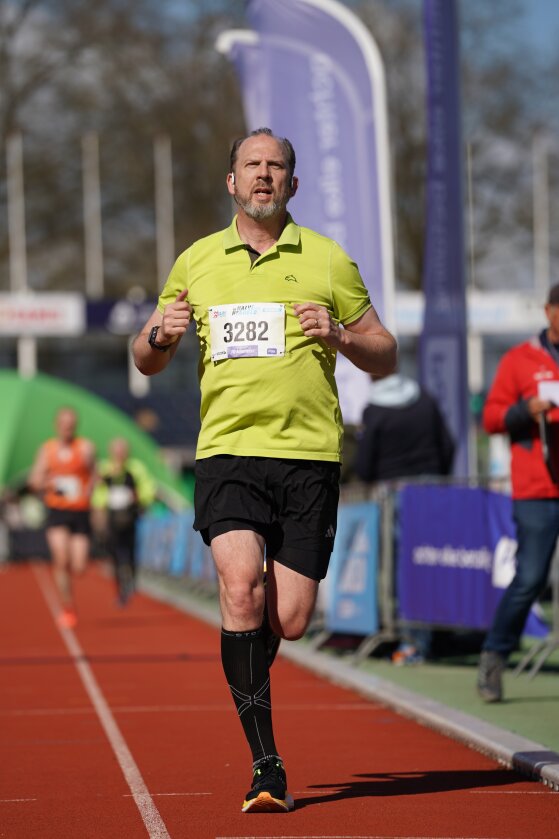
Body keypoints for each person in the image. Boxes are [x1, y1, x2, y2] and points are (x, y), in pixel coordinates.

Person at [132, 127, 397, 813]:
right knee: (240, 587)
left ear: (292, 183)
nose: (263, 174)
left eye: (275, 165)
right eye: (251, 164)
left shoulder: (328, 260)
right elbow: (145, 355)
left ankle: (244, 664)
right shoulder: (196, 261)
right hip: (227, 453)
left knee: (290, 617)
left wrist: (340, 334)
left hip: (308, 457)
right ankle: (266, 765)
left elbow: (385, 352)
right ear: (231, 181)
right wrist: (159, 335)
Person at [477, 284, 559, 702]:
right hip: (537, 488)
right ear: (549, 311)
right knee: (530, 578)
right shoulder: (519, 359)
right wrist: (524, 411)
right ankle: (494, 656)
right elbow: (491, 418)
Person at [355, 371, 455, 663]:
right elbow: (448, 445)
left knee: (400, 569)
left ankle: (411, 641)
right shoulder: (424, 399)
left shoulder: (375, 409)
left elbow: (364, 464)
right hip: (431, 492)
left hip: (394, 494)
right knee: (431, 563)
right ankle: (432, 637)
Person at [28, 407, 96, 628]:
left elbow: (95, 474)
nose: (67, 427)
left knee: (79, 565)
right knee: (61, 558)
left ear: (75, 425)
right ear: (57, 425)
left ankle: (70, 595)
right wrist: (47, 482)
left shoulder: (85, 448)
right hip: (57, 510)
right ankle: (68, 607)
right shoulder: (47, 450)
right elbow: (34, 480)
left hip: (80, 511)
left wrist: (90, 490)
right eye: (64, 423)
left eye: (71, 423)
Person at [92, 438, 156, 606]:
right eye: (117, 450)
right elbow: (98, 492)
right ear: (111, 452)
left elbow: (148, 488)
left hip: (130, 516)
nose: (120, 454)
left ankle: (132, 579)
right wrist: (99, 511)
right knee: (114, 552)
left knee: (131, 550)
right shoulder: (104, 469)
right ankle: (120, 588)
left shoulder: (136, 468)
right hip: (112, 517)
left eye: (123, 450)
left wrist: (139, 497)